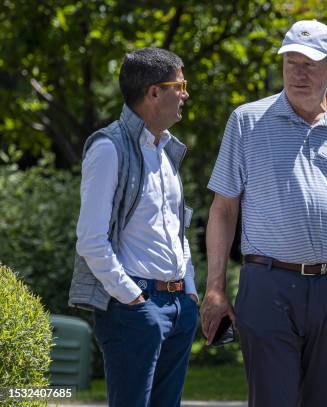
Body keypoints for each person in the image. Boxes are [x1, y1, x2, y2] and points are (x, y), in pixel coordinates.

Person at [201, 20, 327, 407]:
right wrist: (215, 286)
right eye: (291, 62)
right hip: (266, 283)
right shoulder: (247, 122)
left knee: (325, 401)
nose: (298, 73)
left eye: (309, 64)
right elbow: (223, 209)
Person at [69, 47, 198, 407]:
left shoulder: (165, 151)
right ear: (155, 92)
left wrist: (188, 291)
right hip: (135, 309)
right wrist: (133, 299)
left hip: (177, 307)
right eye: (180, 84)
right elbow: (91, 239)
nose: (185, 93)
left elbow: (176, 230)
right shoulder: (109, 148)